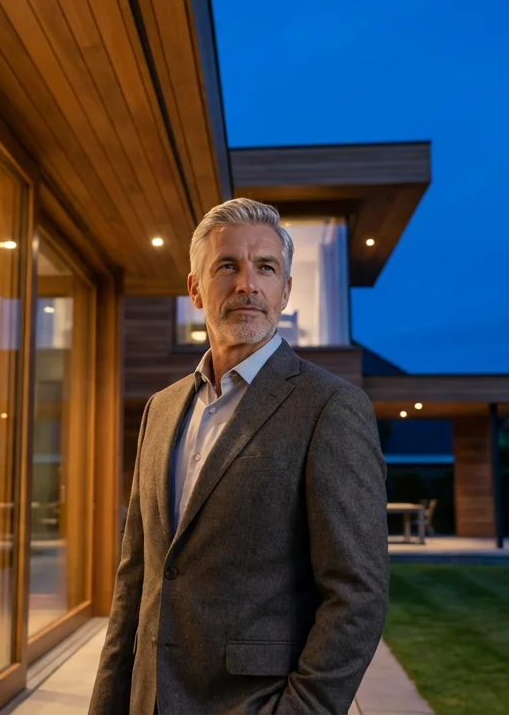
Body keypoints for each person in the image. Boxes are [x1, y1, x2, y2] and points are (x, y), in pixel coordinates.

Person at [89, 198, 390, 714]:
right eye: (227, 266)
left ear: (286, 291)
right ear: (195, 289)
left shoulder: (331, 408)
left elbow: (357, 596)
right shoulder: (161, 409)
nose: (247, 284)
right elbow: (135, 577)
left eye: (265, 268)